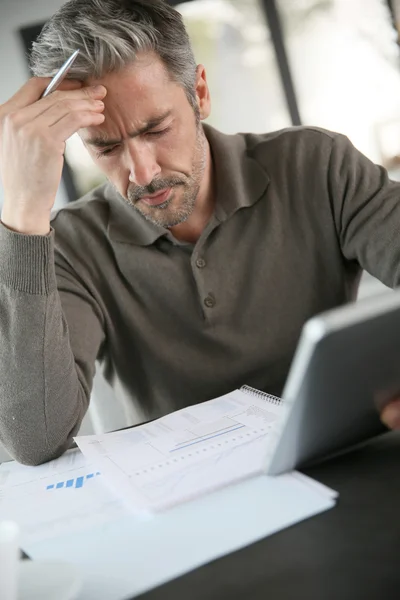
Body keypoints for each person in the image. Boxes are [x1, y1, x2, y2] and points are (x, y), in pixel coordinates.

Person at [0, 0, 399, 466]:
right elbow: (33, 440)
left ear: (200, 93)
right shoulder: (70, 244)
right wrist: (23, 212)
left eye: (157, 128)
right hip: (189, 506)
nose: (142, 173)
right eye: (106, 147)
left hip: (344, 460)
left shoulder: (317, 164)